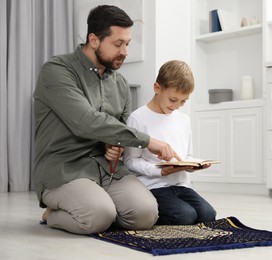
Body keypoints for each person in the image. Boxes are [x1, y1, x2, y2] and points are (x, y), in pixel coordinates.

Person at [33, 5, 180, 235]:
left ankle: (98, 208)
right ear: (94, 40)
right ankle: (52, 214)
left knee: (146, 214)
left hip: (107, 169)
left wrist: (116, 146)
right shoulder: (57, 71)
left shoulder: (120, 84)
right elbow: (85, 120)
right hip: (64, 169)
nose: (125, 52)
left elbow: (120, 128)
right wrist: (148, 141)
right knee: (98, 216)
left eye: (128, 44)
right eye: (118, 44)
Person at [123, 60, 217, 225]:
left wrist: (193, 165)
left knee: (208, 214)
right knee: (185, 216)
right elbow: (130, 161)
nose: (177, 106)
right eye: (173, 99)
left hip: (181, 184)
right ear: (157, 88)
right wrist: (159, 171)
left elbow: (187, 155)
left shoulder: (183, 120)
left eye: (183, 101)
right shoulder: (138, 118)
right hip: (153, 186)